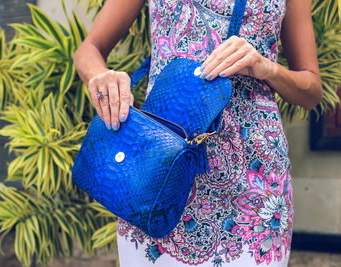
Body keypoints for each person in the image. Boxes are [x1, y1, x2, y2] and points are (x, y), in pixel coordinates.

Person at [73, 0, 323, 266]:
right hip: (157, 176)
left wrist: (269, 68)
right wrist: (100, 76)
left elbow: (311, 90)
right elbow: (90, 49)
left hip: (254, 186)